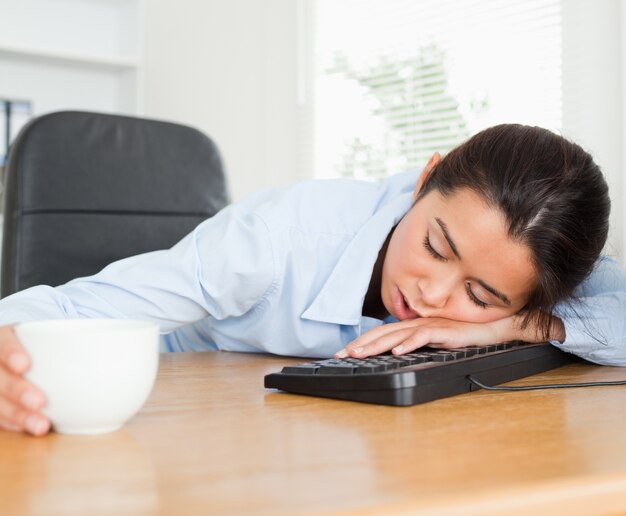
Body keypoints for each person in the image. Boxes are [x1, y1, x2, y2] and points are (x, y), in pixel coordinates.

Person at [0, 123, 625, 437]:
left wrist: (522, 322)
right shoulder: (274, 241)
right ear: (424, 179)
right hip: (196, 418)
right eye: (435, 245)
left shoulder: (531, 257)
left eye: (480, 295)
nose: (434, 293)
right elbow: (85, 305)